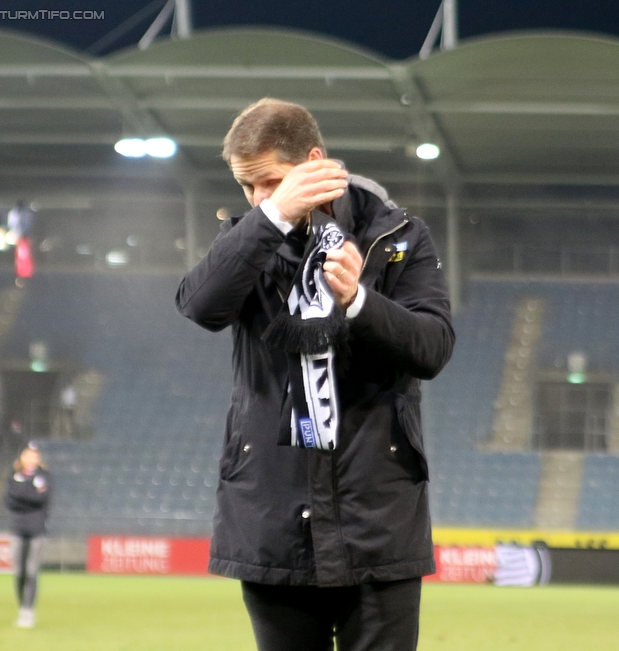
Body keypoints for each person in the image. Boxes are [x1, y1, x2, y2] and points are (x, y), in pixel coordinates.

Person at [176, 98, 455, 651]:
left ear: (314, 161)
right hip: (272, 518)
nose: (259, 199)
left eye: (272, 183)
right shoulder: (248, 241)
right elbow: (199, 305)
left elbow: (433, 347)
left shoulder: (396, 238)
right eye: (248, 188)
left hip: (376, 519)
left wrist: (358, 302)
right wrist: (273, 216)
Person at [3, 442, 52, 628]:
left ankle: (28, 611)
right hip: (17, 529)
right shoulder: (13, 476)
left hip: (37, 530)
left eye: (35, 455)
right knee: (19, 573)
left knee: (31, 571)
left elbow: (41, 499)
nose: (32, 459)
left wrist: (21, 495)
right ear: (21, 458)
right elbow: (8, 501)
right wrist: (29, 494)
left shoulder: (44, 477)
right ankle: (22, 606)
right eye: (28, 455)